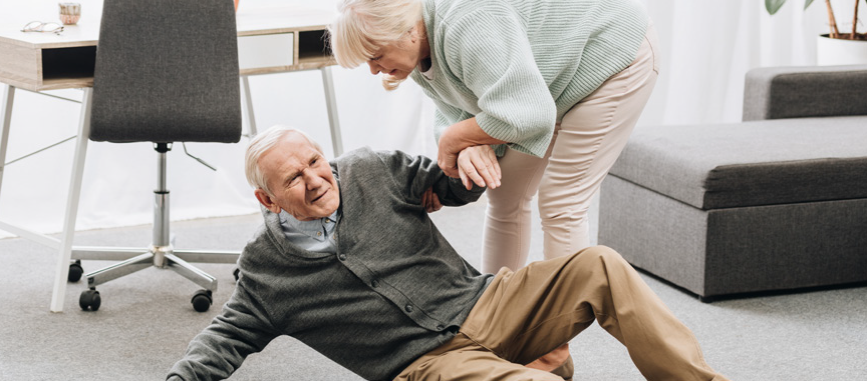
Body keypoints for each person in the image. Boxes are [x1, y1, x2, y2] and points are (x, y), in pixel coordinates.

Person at [167, 125, 728, 381]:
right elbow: (224, 339)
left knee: (598, 265)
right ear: (268, 200)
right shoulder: (265, 273)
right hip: (427, 364)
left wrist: (470, 168)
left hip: (489, 303)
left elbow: (447, 185)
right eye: (294, 178)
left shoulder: (369, 169)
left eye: (316, 161)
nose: (317, 178)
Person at [328, 0, 659, 275]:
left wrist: (454, 141)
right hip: (545, 83)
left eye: (375, 56)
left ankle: (556, 343)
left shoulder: (467, 21)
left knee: (561, 203)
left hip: (612, 53)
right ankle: (501, 320)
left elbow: (528, 113)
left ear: (409, 31)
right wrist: (467, 143)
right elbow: (456, 108)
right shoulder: (415, 52)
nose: (373, 70)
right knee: (505, 197)